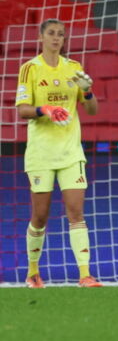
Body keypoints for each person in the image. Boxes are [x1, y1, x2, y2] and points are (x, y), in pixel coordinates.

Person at [14, 19, 102, 287]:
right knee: (40, 216)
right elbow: (22, 110)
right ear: (41, 36)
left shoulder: (74, 69)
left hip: (70, 152)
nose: (56, 38)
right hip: (41, 153)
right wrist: (47, 111)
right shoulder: (29, 69)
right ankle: (32, 273)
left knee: (76, 212)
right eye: (51, 33)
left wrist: (87, 91)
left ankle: (85, 275)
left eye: (60, 35)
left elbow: (92, 110)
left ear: (64, 39)